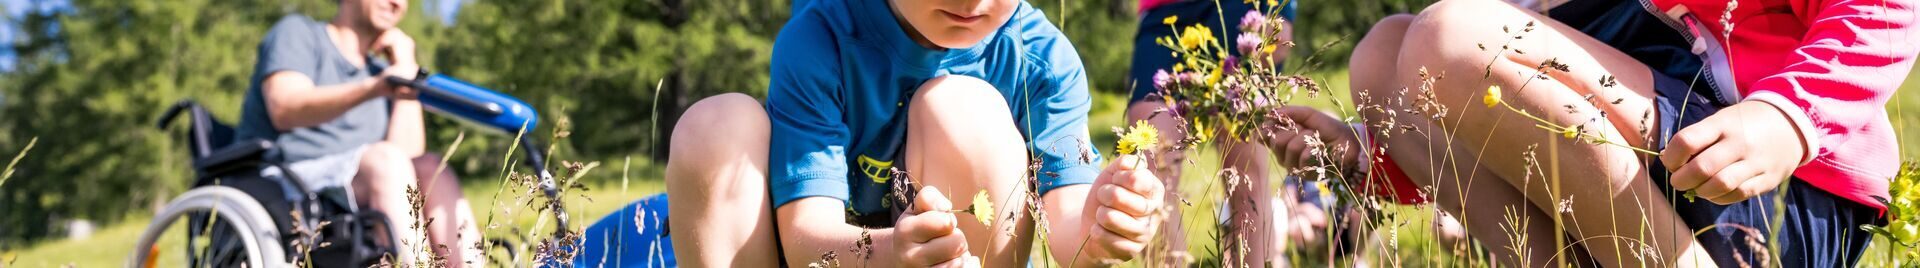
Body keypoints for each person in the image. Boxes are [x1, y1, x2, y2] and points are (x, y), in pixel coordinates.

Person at [1268, 0, 1914, 266]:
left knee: (1447, 36)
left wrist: (1787, 118)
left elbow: (1882, 11)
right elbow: (1513, 110)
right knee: (1387, 55)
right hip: (1658, 158)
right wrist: (1370, 152)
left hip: (1779, 183)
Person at [663, 0, 1166, 266]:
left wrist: (1106, 223)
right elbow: (803, 241)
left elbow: (1069, 230)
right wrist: (892, 254)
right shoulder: (822, 38)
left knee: (960, 107)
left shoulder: (1042, 62)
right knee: (714, 127)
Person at [234, 0, 484, 265]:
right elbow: (284, 107)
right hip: (286, 179)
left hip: (363, 183)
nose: (397, 2)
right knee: (385, 162)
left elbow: (408, 158)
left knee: (432, 167)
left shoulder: (382, 73)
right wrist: (374, 88)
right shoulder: (299, 32)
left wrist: (406, 71)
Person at [1123, 0, 1295, 265]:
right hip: (1162, 12)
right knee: (1149, 171)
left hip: (1238, 5)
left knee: (1246, 167)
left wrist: (1285, 8)